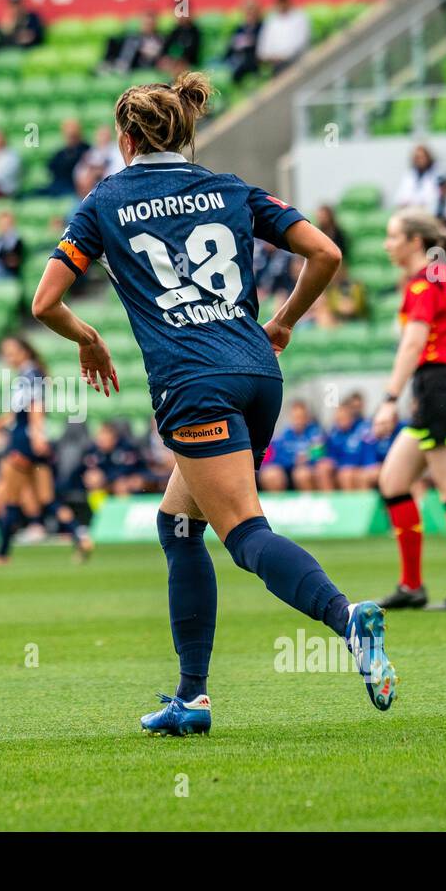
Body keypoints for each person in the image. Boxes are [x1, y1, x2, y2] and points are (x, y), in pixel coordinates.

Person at [28, 71, 396, 736]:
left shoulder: (105, 200)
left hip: (193, 383)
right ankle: (191, 699)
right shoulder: (230, 189)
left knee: (245, 534)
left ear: (126, 137)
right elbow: (326, 253)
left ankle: (348, 621)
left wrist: (87, 339)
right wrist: (281, 323)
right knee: (176, 525)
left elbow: (44, 302)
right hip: (258, 375)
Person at [373, 208, 446, 611]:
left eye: (392, 236)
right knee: (394, 481)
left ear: (414, 242)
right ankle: (412, 587)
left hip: (440, 388)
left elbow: (413, 344)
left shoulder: (423, 284)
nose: (387, 244)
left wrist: (389, 399)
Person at [0, 337, 90, 565]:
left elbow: (36, 407)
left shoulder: (30, 375)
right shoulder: (29, 375)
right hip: (30, 439)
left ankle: (1, 554)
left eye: (11, 351)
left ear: (24, 351)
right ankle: (80, 536)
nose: (8, 357)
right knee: (47, 499)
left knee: (8, 496)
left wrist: (37, 435)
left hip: (22, 442)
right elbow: (16, 413)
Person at [256, 0, 310, 73]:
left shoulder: (300, 17)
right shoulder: (271, 20)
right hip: (274, 64)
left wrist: (284, 55)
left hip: (296, 61)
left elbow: (301, 42)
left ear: (288, 2)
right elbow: (264, 45)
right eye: (279, 3)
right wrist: (269, 56)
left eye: (283, 2)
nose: (281, 5)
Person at [223, 0, 263, 83]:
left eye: (252, 11)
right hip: (236, 57)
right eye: (248, 11)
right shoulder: (239, 28)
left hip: (253, 58)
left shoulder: (261, 27)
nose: (250, 14)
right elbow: (231, 45)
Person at [394, 144, 442, 210]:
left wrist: (416, 203)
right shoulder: (409, 175)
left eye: (422, 157)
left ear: (428, 157)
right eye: (417, 157)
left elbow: (435, 198)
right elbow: (399, 198)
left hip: (428, 211)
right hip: (409, 210)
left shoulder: (436, 174)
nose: (419, 160)